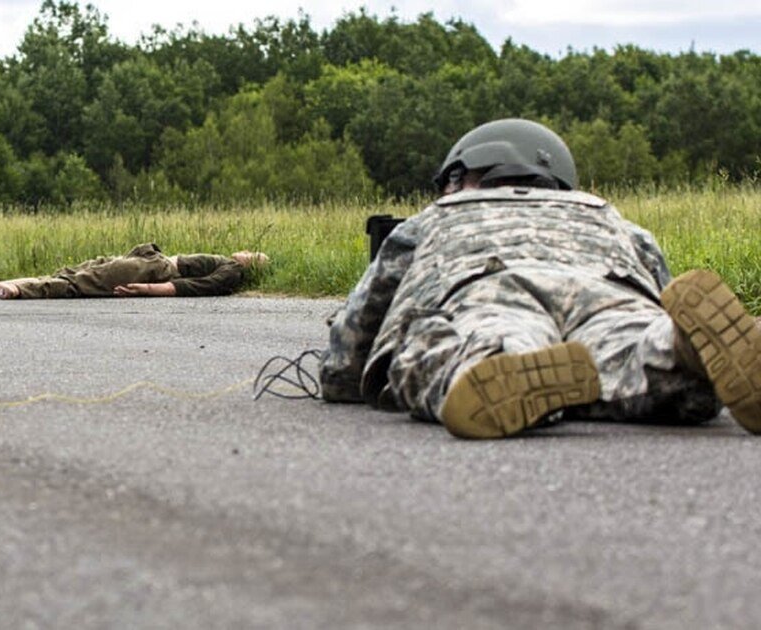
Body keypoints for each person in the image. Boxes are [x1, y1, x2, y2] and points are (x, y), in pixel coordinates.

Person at [318, 118, 761, 439]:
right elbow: (663, 292)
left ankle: (490, 362)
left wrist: (342, 375)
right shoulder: (606, 216)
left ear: (460, 175)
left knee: (482, 335)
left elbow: (352, 346)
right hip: (606, 291)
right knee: (633, 340)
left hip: (489, 286)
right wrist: (672, 327)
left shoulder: (442, 214)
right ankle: (678, 350)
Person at [0, 242, 269, 299]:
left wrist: (147, 289)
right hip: (145, 259)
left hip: (152, 270)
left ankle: (10, 289)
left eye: (254, 255)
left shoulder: (232, 270)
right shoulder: (227, 262)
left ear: (251, 264)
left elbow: (195, 287)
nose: (247, 251)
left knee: (76, 284)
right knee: (69, 273)